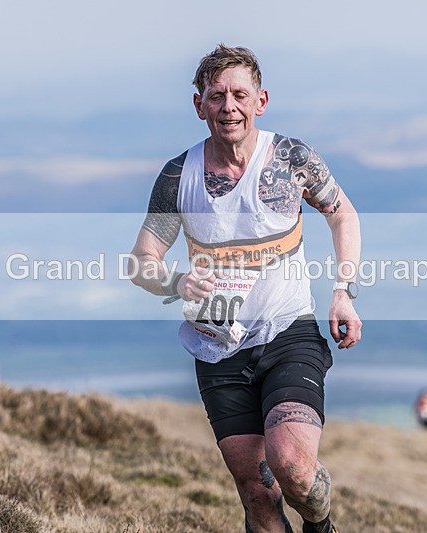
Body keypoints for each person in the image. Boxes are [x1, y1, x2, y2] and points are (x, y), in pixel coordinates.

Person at [129, 44, 361, 533]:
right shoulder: (178, 176)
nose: (228, 106)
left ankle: (322, 528)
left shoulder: (291, 159)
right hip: (217, 349)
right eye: (216, 96)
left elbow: (342, 213)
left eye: (239, 94)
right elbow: (140, 263)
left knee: (292, 465)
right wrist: (177, 281)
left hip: (288, 333)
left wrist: (343, 291)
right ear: (199, 105)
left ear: (261, 100)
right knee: (257, 492)